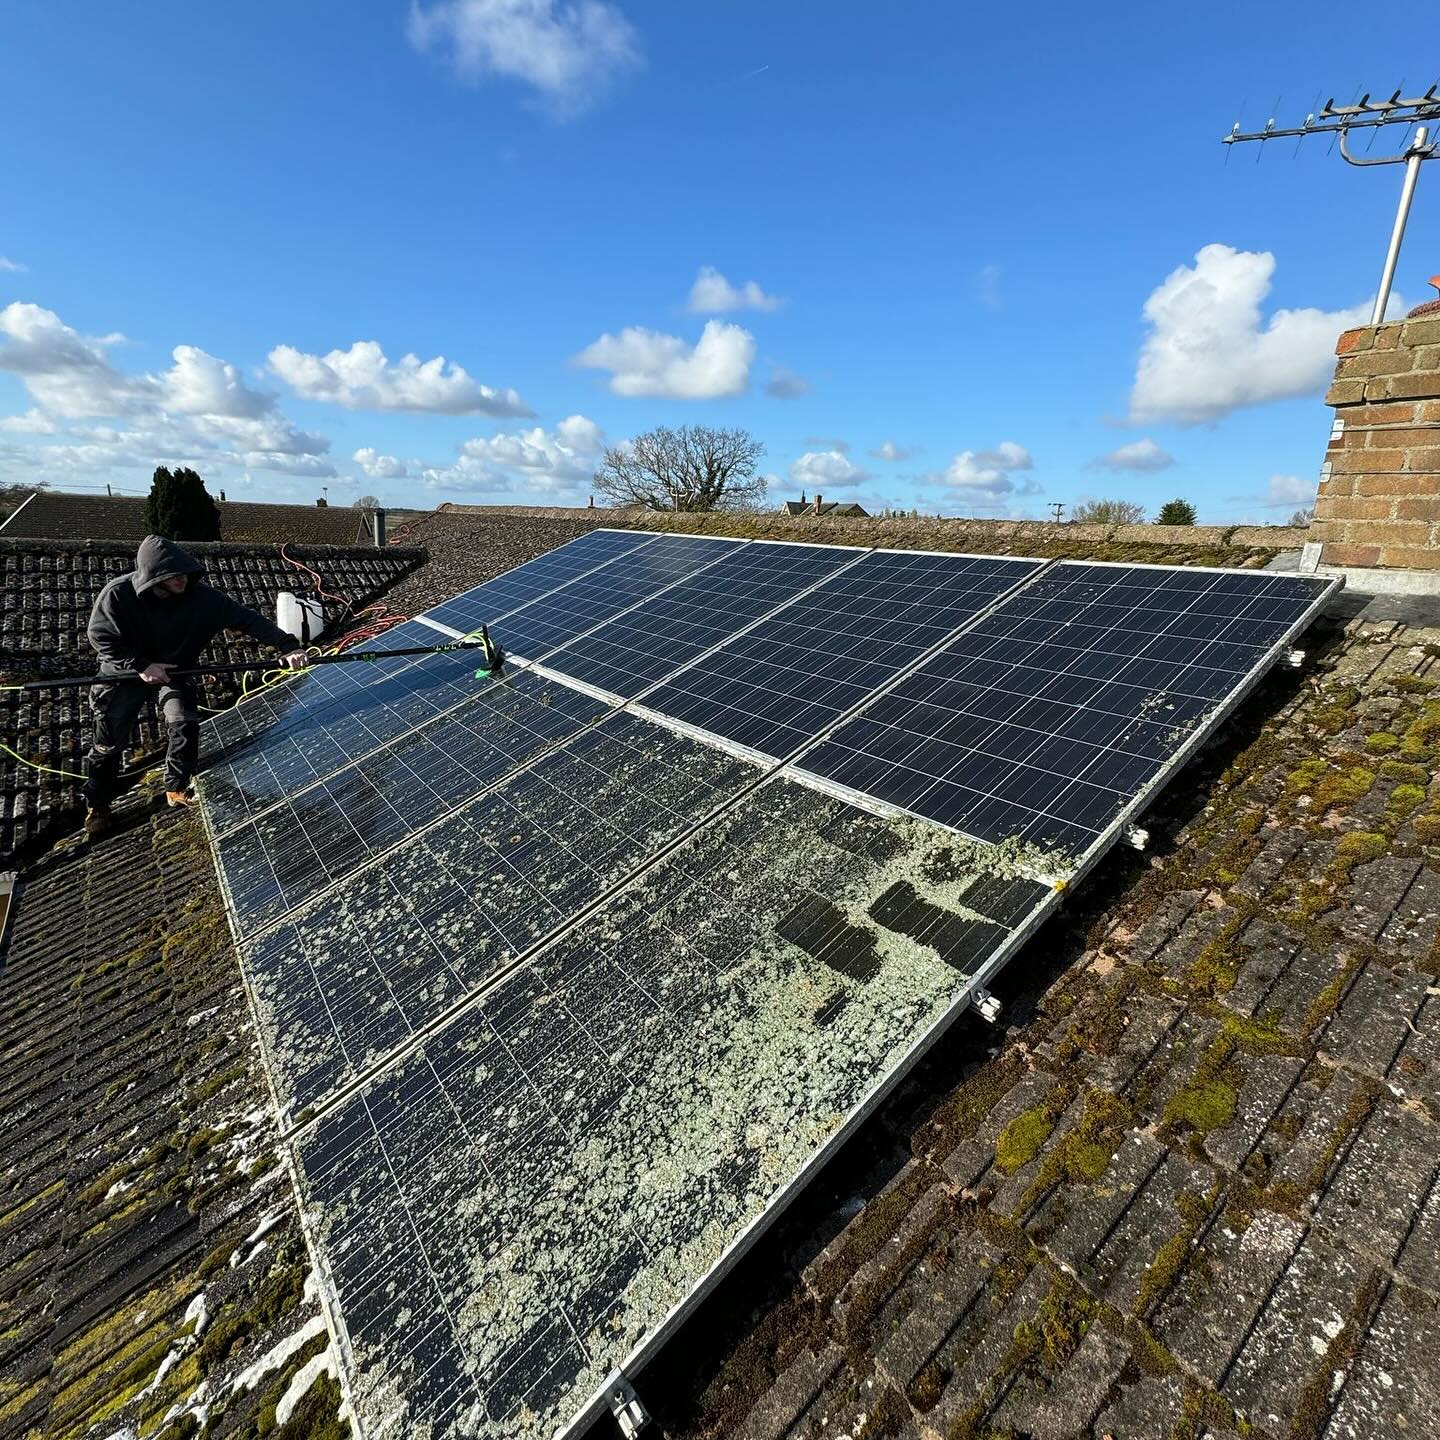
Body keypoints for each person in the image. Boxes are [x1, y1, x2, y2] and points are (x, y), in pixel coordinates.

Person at [83, 534, 310, 833]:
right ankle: (98, 805)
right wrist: (140, 665)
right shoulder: (117, 596)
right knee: (109, 743)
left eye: (186, 573)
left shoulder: (203, 599)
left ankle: (176, 787)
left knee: (183, 722)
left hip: (174, 671)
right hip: (123, 674)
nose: (182, 580)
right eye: (173, 575)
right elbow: (99, 637)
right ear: (154, 577)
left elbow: (247, 619)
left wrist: (287, 646)